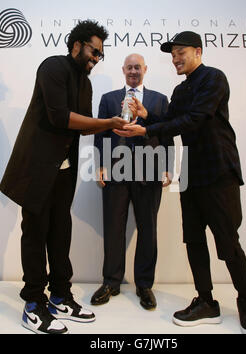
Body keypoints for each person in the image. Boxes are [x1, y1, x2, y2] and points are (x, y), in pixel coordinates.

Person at [114, 32, 246, 333]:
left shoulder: (214, 79)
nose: (175, 59)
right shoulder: (180, 91)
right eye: (172, 54)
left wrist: (146, 130)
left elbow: (195, 119)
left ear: (198, 51)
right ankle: (206, 301)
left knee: (228, 241)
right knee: (193, 240)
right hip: (191, 174)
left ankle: (245, 300)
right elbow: (169, 121)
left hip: (219, 171)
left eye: (181, 52)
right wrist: (145, 117)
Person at [0, 20, 126, 334]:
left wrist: (108, 125)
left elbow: (82, 126)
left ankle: (59, 296)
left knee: (60, 232)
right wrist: (108, 121)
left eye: (100, 55)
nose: (96, 59)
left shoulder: (85, 83)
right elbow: (59, 116)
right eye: (93, 52)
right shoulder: (52, 67)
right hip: (36, 170)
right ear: (76, 45)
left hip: (65, 171)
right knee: (35, 234)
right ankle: (33, 303)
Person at [91, 54, 174, 310]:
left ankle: (144, 285)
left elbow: (168, 132)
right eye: (130, 67)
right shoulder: (108, 99)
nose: (134, 71)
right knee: (113, 227)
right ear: (123, 70)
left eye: (138, 67)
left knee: (148, 229)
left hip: (149, 171)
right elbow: (100, 134)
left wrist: (168, 167)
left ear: (145, 70)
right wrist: (101, 165)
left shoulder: (160, 100)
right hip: (116, 170)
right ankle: (111, 282)